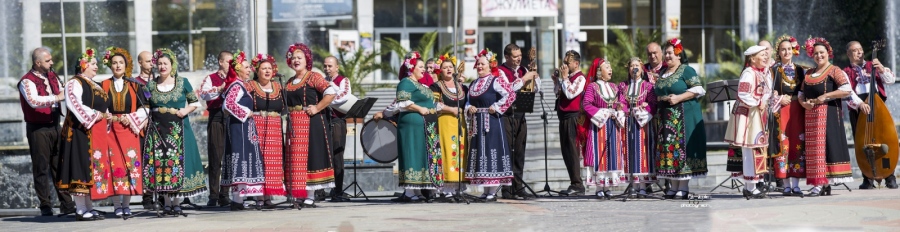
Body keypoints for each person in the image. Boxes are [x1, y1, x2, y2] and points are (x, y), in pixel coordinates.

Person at [143, 48, 207, 215]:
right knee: (162, 164)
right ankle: (166, 203)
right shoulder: (150, 85)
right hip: (158, 129)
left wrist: (184, 111)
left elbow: (195, 102)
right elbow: (145, 106)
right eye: (159, 63)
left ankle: (177, 203)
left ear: (172, 65)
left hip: (178, 127)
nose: (162, 66)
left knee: (178, 163)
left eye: (165, 63)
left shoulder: (182, 82)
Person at [798, 38, 863, 196]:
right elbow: (800, 93)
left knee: (824, 148)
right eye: (816, 53)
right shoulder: (809, 73)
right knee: (814, 150)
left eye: (822, 53)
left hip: (828, 115)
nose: (819, 56)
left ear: (828, 54)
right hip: (811, 115)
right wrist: (803, 104)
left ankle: (820, 185)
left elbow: (846, 90)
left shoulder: (834, 70)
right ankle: (821, 183)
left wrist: (827, 95)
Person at [18, 47, 74, 216]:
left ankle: (67, 204)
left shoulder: (52, 76)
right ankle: (45, 205)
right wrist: (57, 98)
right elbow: (34, 101)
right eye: (48, 60)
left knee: (60, 166)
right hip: (38, 128)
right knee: (41, 167)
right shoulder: (26, 81)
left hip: (55, 125)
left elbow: (63, 94)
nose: (52, 63)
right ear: (38, 62)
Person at [381, 52, 442, 202]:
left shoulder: (421, 85)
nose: (424, 70)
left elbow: (430, 102)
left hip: (426, 126)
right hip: (411, 125)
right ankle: (409, 192)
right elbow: (402, 102)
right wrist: (420, 109)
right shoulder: (406, 82)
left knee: (420, 155)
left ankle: (417, 190)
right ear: (412, 68)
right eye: (421, 67)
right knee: (412, 153)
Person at [57, 48, 108, 221]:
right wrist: (94, 116)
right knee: (80, 168)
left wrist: (105, 117)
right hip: (79, 131)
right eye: (93, 64)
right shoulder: (74, 83)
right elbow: (74, 104)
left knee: (90, 170)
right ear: (83, 65)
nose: (96, 66)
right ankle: (80, 209)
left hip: (94, 132)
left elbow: (104, 107)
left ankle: (88, 207)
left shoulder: (96, 84)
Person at [284, 43, 337, 208]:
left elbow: (330, 93)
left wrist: (317, 107)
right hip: (294, 123)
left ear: (307, 60)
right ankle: (299, 193)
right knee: (296, 159)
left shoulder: (314, 76)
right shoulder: (290, 81)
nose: (296, 61)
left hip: (310, 122)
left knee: (310, 157)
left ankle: (311, 195)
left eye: (299, 58)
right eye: (293, 58)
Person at [654, 38, 707, 200]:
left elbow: (699, 89)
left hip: (685, 116)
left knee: (682, 148)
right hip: (666, 118)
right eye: (666, 53)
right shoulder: (662, 73)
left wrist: (678, 98)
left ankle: (683, 186)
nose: (667, 56)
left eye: (670, 53)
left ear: (678, 55)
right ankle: (674, 186)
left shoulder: (686, 70)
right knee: (669, 149)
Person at [99, 47, 148, 217]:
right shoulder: (103, 85)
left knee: (129, 165)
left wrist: (132, 116)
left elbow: (146, 107)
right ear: (110, 66)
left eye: (120, 62)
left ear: (126, 65)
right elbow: (97, 108)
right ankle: (116, 205)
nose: (118, 65)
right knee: (113, 166)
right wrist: (108, 116)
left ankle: (126, 204)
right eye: (114, 63)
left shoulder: (135, 84)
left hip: (129, 130)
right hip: (110, 131)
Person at [725, 45, 778, 199]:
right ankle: (750, 186)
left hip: (757, 115)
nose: (766, 57)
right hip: (748, 116)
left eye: (766, 54)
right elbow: (743, 93)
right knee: (750, 149)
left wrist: (767, 98)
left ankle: (752, 186)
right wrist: (758, 101)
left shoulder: (761, 73)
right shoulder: (749, 73)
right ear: (752, 58)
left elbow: (766, 91)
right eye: (762, 55)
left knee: (756, 149)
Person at [843, 40, 897, 189]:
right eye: (855, 50)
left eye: (860, 49)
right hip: (858, 109)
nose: (859, 52)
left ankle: (889, 175)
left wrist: (881, 69)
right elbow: (847, 92)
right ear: (848, 54)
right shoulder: (845, 71)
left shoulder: (872, 66)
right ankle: (868, 177)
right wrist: (860, 104)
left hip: (878, 108)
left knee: (885, 140)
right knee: (862, 143)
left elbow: (891, 80)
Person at [465, 49, 516, 201]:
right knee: (481, 152)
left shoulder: (496, 80)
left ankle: (492, 191)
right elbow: (468, 101)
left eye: (482, 64)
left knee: (491, 151)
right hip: (477, 123)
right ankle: (486, 191)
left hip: (492, 122)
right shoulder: (473, 84)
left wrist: (498, 107)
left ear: (490, 65)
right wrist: (469, 108)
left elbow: (511, 94)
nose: (479, 66)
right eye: (478, 64)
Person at [221, 50, 265, 210]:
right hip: (239, 128)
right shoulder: (236, 85)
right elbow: (228, 104)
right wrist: (247, 113)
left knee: (243, 159)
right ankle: (237, 200)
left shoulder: (239, 85)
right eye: (246, 67)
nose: (249, 70)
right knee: (241, 158)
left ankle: (239, 199)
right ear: (238, 69)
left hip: (242, 127)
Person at [497, 43, 540, 200]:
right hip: (507, 116)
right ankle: (507, 189)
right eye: (515, 57)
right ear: (507, 57)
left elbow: (536, 89)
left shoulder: (524, 70)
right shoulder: (500, 71)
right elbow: (507, 89)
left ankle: (519, 186)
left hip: (521, 114)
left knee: (520, 152)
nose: (518, 59)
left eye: (520, 55)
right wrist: (523, 79)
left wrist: (535, 77)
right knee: (508, 151)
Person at [581, 58, 626, 198]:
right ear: (599, 71)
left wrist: (619, 109)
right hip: (598, 128)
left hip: (613, 126)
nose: (610, 69)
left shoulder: (614, 87)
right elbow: (586, 104)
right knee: (599, 154)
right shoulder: (592, 87)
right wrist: (605, 113)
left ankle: (608, 186)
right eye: (607, 67)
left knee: (612, 154)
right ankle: (599, 187)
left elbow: (622, 102)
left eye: (611, 67)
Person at [771, 35, 808, 196]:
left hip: (797, 109)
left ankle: (796, 184)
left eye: (788, 49)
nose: (786, 52)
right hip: (781, 110)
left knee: (797, 143)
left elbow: (805, 89)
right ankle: (785, 184)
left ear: (793, 50)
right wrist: (779, 98)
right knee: (783, 143)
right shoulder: (773, 70)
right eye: (783, 49)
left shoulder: (800, 69)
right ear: (778, 52)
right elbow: (768, 93)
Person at [247, 53, 286, 208]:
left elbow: (284, 107)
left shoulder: (278, 86)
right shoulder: (250, 85)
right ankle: (258, 197)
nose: (267, 71)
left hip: (275, 127)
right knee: (258, 160)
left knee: (272, 163)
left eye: (269, 68)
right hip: (257, 125)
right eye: (264, 68)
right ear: (257, 70)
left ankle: (268, 196)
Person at [430, 53, 469, 202]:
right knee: (447, 152)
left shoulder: (461, 86)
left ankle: (458, 188)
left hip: (460, 124)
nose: (448, 69)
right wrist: (450, 109)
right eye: (444, 67)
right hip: (445, 122)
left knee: (460, 152)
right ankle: (446, 190)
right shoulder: (437, 86)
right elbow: (433, 104)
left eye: (450, 67)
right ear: (440, 71)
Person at [198, 51, 233, 207]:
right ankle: (213, 194)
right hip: (216, 117)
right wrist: (220, 88)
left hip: (231, 119)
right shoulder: (211, 78)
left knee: (229, 157)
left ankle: (225, 194)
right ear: (220, 62)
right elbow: (203, 95)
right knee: (215, 156)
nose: (231, 65)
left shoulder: (235, 79)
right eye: (228, 62)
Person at [619, 57, 657, 195]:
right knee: (629, 152)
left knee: (643, 153)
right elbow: (621, 102)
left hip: (643, 125)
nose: (634, 68)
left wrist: (646, 107)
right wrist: (622, 109)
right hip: (628, 124)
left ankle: (643, 186)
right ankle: (633, 185)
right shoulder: (623, 86)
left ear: (641, 68)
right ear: (628, 69)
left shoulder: (648, 86)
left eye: (637, 65)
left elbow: (653, 104)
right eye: (631, 66)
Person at [552, 50, 587, 196]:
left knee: (572, 151)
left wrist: (565, 78)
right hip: (563, 117)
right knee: (566, 151)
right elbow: (559, 93)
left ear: (576, 64)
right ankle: (573, 182)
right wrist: (556, 81)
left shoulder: (580, 78)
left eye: (567, 63)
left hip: (573, 117)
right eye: (564, 62)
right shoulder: (568, 78)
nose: (564, 65)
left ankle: (578, 184)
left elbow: (571, 93)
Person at [324, 56, 351, 202]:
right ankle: (321, 190)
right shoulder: (322, 80)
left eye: (330, 66)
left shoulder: (343, 80)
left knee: (337, 156)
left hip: (337, 121)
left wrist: (327, 98)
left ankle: (338, 190)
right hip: (324, 120)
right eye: (325, 66)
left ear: (337, 67)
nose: (327, 69)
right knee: (323, 155)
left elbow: (344, 96)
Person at [134, 50, 157, 210]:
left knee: (160, 160)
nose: (152, 64)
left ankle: (163, 194)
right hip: (144, 127)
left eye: (152, 61)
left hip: (160, 126)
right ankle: (147, 196)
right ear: (140, 63)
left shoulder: (159, 81)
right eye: (148, 61)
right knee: (146, 161)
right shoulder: (135, 82)